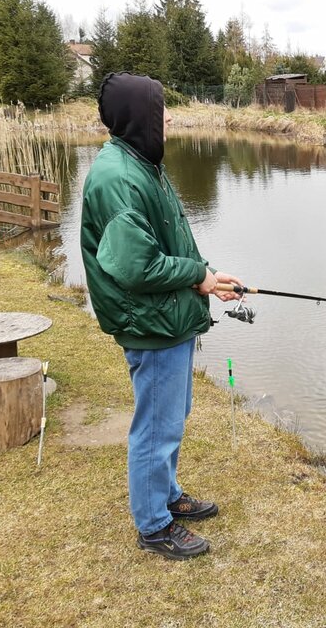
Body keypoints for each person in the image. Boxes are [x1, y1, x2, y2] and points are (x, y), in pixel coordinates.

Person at [80, 72, 243, 560]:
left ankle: (167, 495)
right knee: (156, 426)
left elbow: (168, 241)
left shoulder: (141, 163)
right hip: (149, 322)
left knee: (172, 416)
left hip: (167, 316)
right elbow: (138, 266)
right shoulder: (117, 178)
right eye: (160, 109)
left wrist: (208, 275)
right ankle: (153, 525)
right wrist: (197, 276)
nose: (168, 118)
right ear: (138, 117)